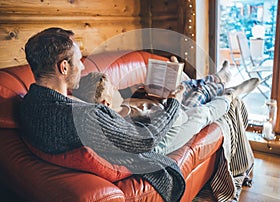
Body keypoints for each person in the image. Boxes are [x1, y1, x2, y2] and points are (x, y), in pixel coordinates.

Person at [18, 27, 186, 202]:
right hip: (141, 149)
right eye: (79, 60)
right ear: (64, 67)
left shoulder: (29, 104)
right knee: (205, 114)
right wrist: (174, 103)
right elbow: (146, 140)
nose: (82, 66)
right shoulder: (84, 116)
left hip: (120, 136)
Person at [72, 60, 260, 155]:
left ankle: (218, 79)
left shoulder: (114, 108)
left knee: (185, 86)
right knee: (200, 108)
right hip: (169, 128)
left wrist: (146, 94)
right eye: (112, 87)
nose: (116, 87)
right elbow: (171, 121)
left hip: (165, 115)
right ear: (105, 103)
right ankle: (231, 92)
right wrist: (172, 102)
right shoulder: (124, 125)